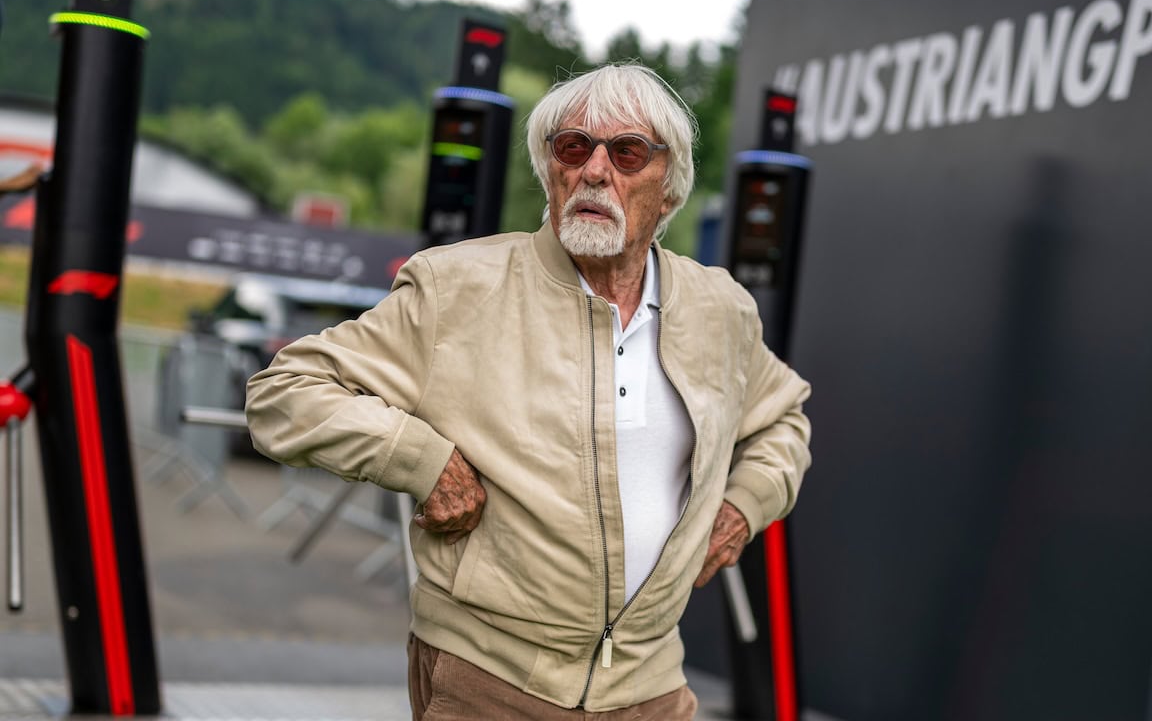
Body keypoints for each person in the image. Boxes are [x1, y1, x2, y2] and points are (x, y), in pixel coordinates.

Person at [245, 62, 812, 719]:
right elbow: (284, 393)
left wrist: (746, 503)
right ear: (549, 170)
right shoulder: (457, 287)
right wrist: (422, 460)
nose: (594, 170)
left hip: (653, 686)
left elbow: (783, 418)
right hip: (489, 680)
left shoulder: (720, 308)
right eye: (574, 147)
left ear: (670, 188)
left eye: (627, 153)